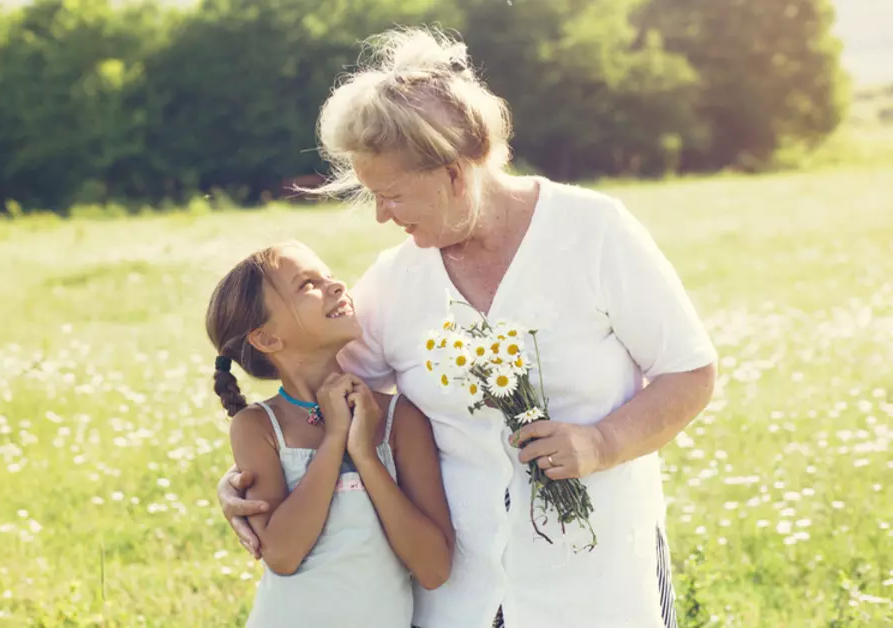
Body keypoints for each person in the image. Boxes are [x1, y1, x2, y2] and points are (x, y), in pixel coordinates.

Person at [216, 26, 717, 628]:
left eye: (393, 194)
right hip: (459, 594)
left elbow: (689, 372)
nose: (381, 215)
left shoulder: (594, 231)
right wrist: (251, 481)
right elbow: (319, 395)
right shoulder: (394, 282)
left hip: (597, 577)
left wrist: (601, 443)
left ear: (455, 175)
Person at [206, 241, 455, 627]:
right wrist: (335, 438)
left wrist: (366, 457)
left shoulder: (398, 418)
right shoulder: (259, 427)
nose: (336, 285)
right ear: (267, 338)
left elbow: (434, 568)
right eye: (307, 284)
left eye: (329, 274)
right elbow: (283, 556)